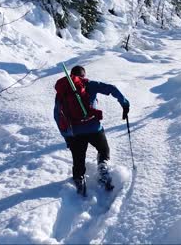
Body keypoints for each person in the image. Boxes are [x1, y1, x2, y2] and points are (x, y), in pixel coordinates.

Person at [54, 65, 130, 196]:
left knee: (78, 159)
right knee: (103, 149)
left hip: (75, 132)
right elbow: (112, 88)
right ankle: (102, 167)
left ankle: (79, 179)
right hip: (94, 128)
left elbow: (57, 115)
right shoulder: (89, 84)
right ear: (83, 75)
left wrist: (67, 137)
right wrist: (124, 103)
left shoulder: (63, 91)